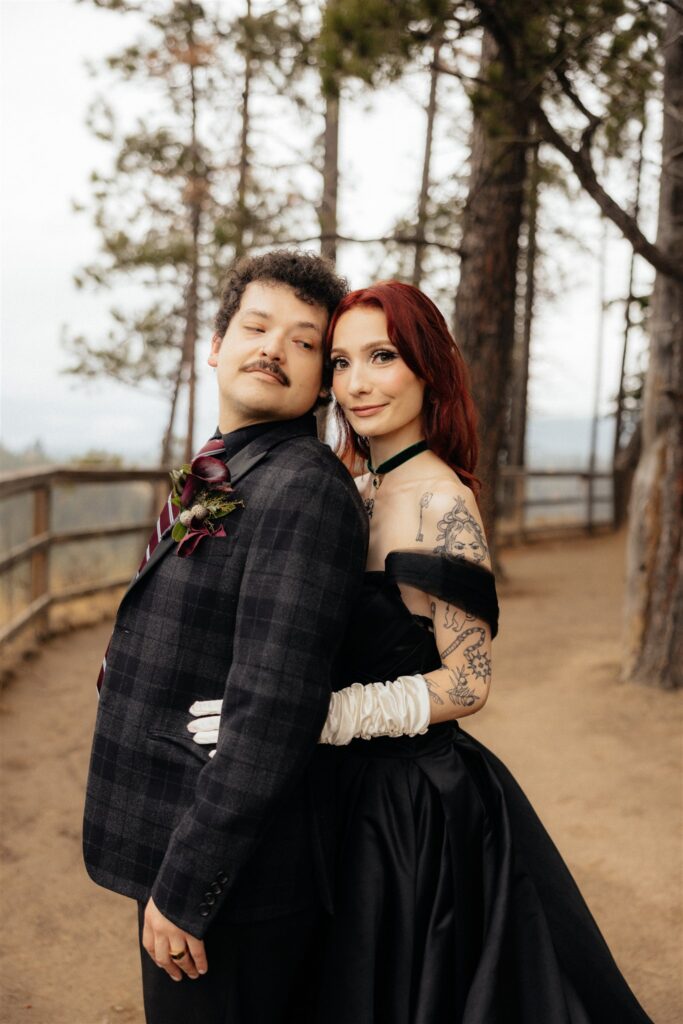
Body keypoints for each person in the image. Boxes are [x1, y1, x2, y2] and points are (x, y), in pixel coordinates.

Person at [190, 281, 654, 1023]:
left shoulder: (443, 505)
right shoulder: (343, 485)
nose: (357, 383)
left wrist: (325, 716)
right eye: (339, 363)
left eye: (382, 356)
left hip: (406, 809)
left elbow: (469, 682)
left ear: (428, 368)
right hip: (325, 786)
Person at [82, 249, 369, 1024]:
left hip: (232, 883)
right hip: (178, 834)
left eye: (305, 342)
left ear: (323, 380)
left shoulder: (302, 486)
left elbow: (273, 710)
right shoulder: (228, 469)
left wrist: (186, 887)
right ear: (216, 346)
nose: (274, 347)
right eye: (256, 325)